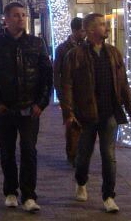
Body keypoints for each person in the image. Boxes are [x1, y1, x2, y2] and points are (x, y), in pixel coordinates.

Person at [0, 1, 52, 213]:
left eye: (24, 15)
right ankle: (10, 191)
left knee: (29, 151)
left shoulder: (37, 44)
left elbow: (47, 76)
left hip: (30, 108)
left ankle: (29, 195)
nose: (21, 19)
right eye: (17, 15)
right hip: (5, 109)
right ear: (6, 19)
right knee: (7, 152)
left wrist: (41, 103)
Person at [61, 13, 131, 214]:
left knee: (108, 155)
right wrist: (68, 113)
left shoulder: (113, 53)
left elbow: (123, 83)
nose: (106, 27)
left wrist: (130, 109)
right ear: (91, 30)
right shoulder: (75, 55)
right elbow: (66, 85)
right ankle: (81, 181)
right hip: (86, 114)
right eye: (102, 25)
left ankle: (109, 196)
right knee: (84, 154)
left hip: (109, 112)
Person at [53, 16, 86, 166]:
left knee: (85, 125)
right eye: (82, 31)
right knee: (72, 125)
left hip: (84, 92)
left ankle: (82, 153)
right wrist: (60, 93)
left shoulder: (87, 47)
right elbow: (56, 72)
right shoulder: (62, 48)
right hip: (69, 93)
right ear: (74, 31)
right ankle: (73, 155)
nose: (84, 33)